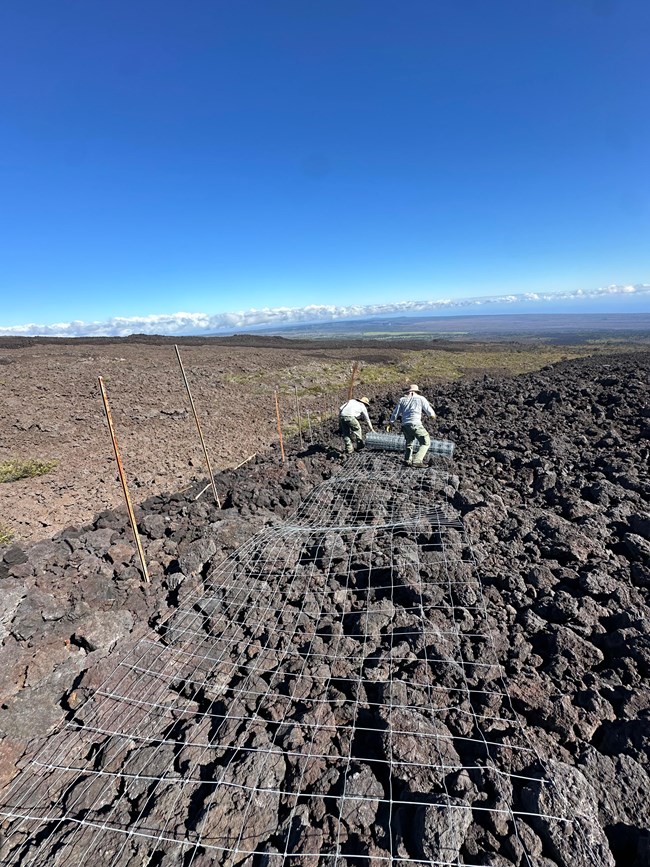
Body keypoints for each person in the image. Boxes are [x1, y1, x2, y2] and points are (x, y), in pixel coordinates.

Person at [388, 384, 436, 467]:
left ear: (409, 392)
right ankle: (417, 460)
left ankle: (407, 460)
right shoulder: (421, 398)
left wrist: (391, 423)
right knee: (426, 442)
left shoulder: (402, 399)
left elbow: (396, 412)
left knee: (409, 443)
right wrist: (432, 416)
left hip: (405, 425)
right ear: (417, 392)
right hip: (415, 423)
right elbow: (429, 411)